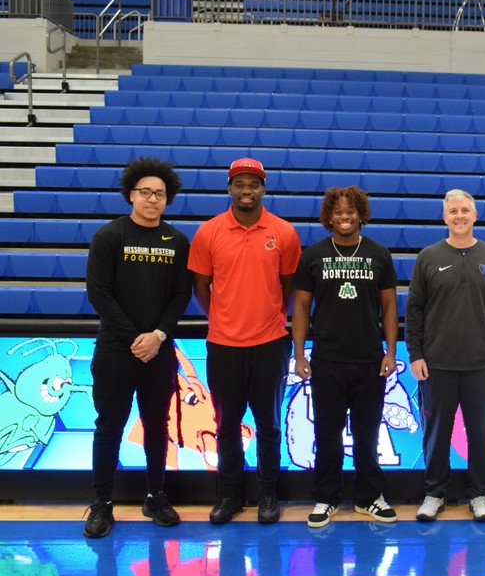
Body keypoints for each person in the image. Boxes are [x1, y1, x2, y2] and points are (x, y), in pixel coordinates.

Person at [83, 156, 192, 538]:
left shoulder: (177, 241)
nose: (152, 199)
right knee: (109, 426)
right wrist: (135, 337)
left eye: (159, 194)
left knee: (157, 425)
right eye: (145, 192)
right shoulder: (110, 236)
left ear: (167, 199)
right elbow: (99, 293)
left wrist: (158, 335)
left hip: (159, 351)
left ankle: (155, 495)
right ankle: (101, 503)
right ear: (131, 194)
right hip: (117, 350)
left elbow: (181, 294)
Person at [188, 157, 301, 525]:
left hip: (270, 343)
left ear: (263, 188)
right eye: (240, 183)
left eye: (253, 184)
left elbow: (289, 286)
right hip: (223, 345)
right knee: (226, 425)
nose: (246, 190)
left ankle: (268, 494)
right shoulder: (209, 232)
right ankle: (229, 496)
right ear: (230, 188)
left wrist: (271, 316)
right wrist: (222, 318)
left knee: (268, 424)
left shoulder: (284, 232)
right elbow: (201, 287)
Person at [292, 186, 400, 528]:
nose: (344, 217)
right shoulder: (314, 255)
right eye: (338, 212)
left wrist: (391, 351)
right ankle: (327, 498)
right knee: (327, 433)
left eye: (350, 211)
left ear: (361, 215)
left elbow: (389, 306)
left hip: (369, 359)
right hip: (327, 360)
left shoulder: (379, 254)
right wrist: (299, 354)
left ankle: (369, 497)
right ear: (329, 216)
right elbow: (301, 307)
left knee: (368, 433)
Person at [406, 189, 485, 523]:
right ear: (445, 217)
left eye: (465, 210)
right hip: (437, 364)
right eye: (453, 211)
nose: (460, 216)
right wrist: (415, 354)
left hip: (481, 364)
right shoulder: (428, 257)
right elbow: (415, 309)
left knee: (480, 432)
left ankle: (479, 494)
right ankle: (435, 493)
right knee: (436, 433)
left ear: (475, 215)